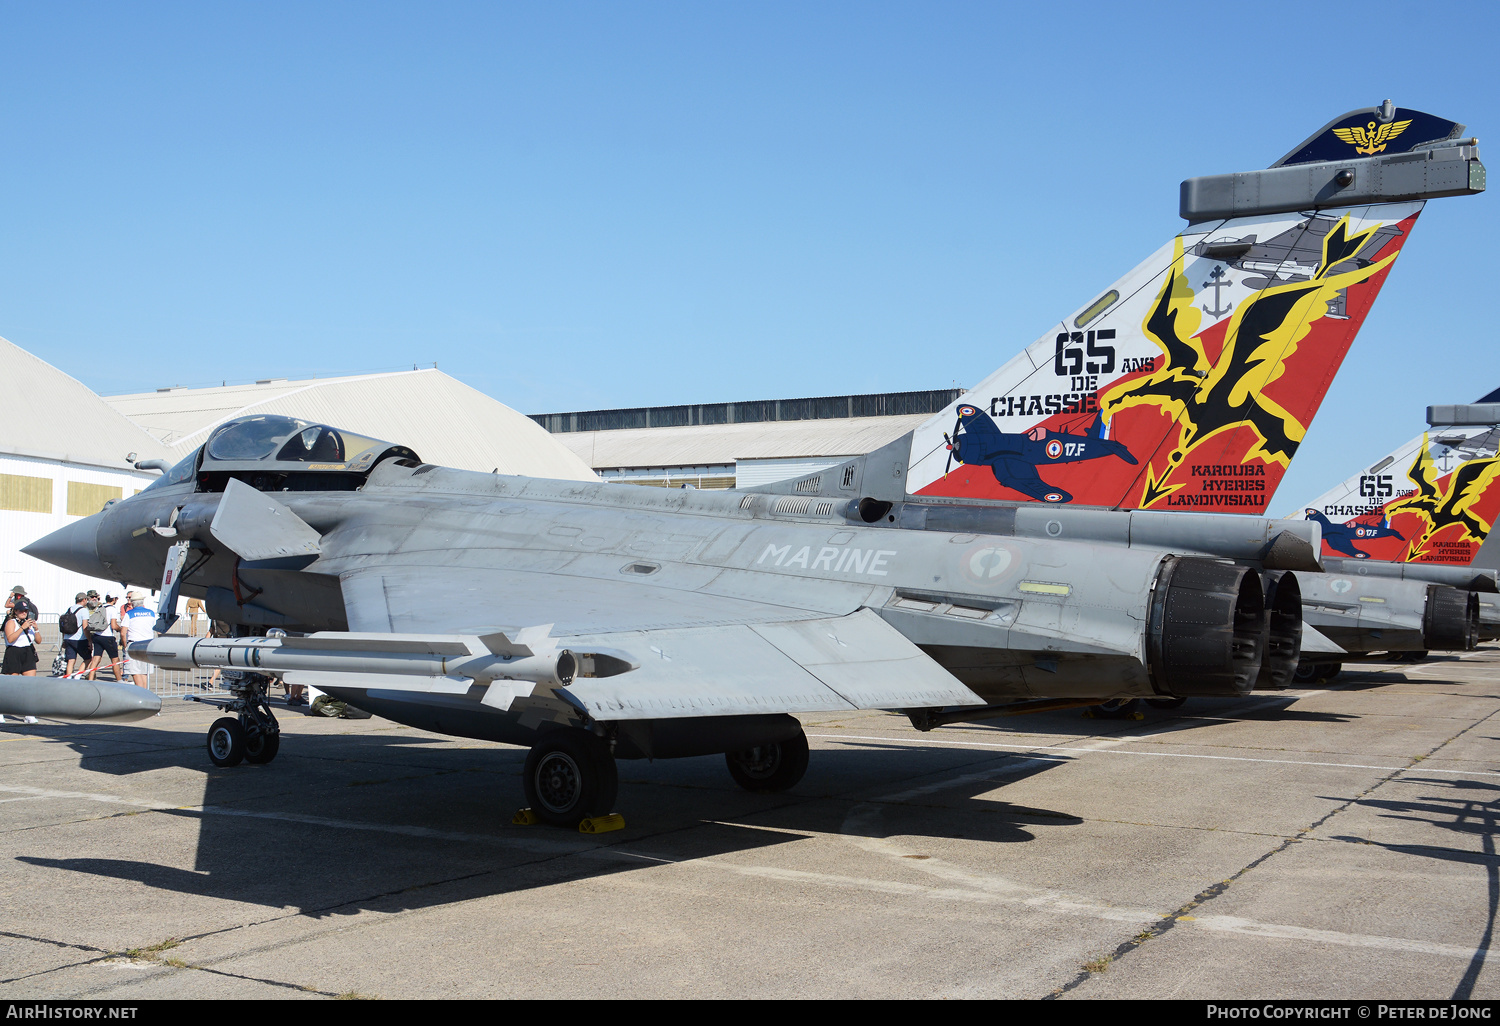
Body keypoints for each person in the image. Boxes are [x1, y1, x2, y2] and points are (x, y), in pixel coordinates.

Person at [2, 601, 41, 723]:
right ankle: (1, 711)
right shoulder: (11, 622)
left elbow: (38, 641)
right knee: (11, 686)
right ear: (16, 612)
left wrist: (36, 629)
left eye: (26, 611)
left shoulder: (29, 624)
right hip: (14, 652)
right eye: (21, 611)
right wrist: (22, 628)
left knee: (29, 686)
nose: (24, 613)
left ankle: (28, 713)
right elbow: (10, 638)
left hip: (27, 653)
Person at [120, 590, 158, 691]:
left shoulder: (129, 614)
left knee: (135, 672)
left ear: (132, 603)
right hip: (148, 644)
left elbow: (123, 632)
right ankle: (145, 693)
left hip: (134, 644)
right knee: (144, 673)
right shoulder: (151, 613)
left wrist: (125, 646)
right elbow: (158, 629)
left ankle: (141, 693)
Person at [86, 594, 124, 682]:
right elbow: (114, 626)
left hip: (97, 635)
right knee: (115, 659)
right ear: (114, 599)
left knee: (96, 659)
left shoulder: (101, 607)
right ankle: (119, 680)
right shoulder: (112, 609)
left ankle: (90, 679)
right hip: (107, 637)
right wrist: (121, 629)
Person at [61, 592, 93, 677]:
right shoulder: (84, 611)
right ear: (84, 600)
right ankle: (78, 676)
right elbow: (85, 627)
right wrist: (89, 640)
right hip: (80, 639)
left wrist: (63, 639)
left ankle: (68, 678)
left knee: (71, 660)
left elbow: (64, 626)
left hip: (68, 638)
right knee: (88, 658)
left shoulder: (69, 609)